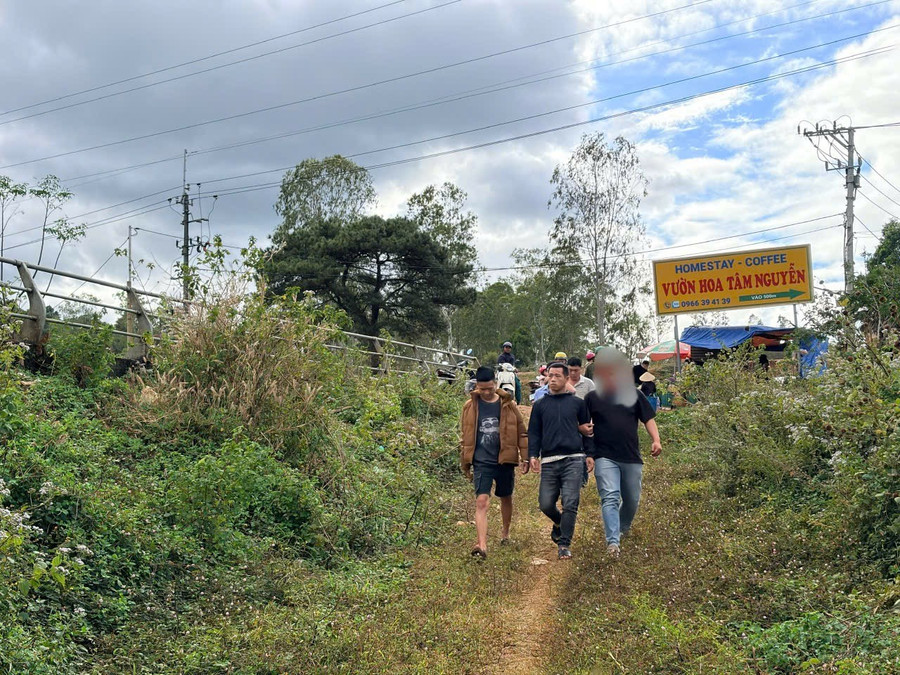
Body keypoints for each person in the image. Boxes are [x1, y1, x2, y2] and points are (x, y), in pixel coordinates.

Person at [586, 348, 662, 558]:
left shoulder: (634, 394)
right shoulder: (592, 398)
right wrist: (585, 436)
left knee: (631, 500)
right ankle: (613, 543)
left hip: (630, 455)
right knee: (609, 497)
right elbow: (583, 424)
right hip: (604, 455)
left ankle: (622, 527)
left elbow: (648, 418)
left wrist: (656, 440)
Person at [460, 366, 529, 559]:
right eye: (482, 389)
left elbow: (522, 432)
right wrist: (465, 458)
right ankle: (482, 546)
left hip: (504, 459)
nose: (486, 392)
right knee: (481, 502)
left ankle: (505, 532)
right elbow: (465, 434)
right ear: (476, 387)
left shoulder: (507, 404)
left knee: (505, 496)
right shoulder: (470, 406)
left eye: (490, 388)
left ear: (495, 383)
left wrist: (525, 457)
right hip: (482, 461)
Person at [528, 362, 593, 560]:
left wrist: (590, 455)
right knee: (545, 504)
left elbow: (588, 430)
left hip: (573, 458)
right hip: (549, 460)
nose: (553, 379)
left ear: (566, 379)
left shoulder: (578, 404)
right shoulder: (540, 405)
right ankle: (559, 522)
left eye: (557, 375)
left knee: (570, 502)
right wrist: (532, 455)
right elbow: (534, 433)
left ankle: (564, 544)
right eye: (550, 375)